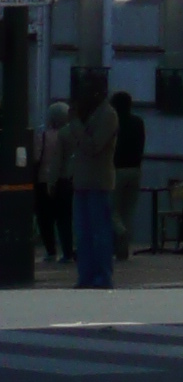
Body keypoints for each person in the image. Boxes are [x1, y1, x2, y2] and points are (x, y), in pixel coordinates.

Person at [68, 78, 119, 287]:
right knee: (83, 233)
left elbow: (94, 146)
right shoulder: (87, 115)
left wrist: (77, 125)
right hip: (82, 181)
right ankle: (86, 274)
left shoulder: (108, 115)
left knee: (99, 232)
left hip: (98, 181)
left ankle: (102, 275)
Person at [109, 83, 146, 263]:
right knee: (128, 211)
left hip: (116, 169)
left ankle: (120, 233)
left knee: (111, 209)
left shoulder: (113, 123)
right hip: (135, 169)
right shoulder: (138, 122)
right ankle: (123, 251)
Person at [33, 102, 71, 264]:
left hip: (43, 180)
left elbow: (36, 157)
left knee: (45, 218)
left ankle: (50, 251)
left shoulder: (43, 135)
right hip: (66, 181)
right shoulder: (70, 135)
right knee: (64, 218)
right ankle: (67, 252)